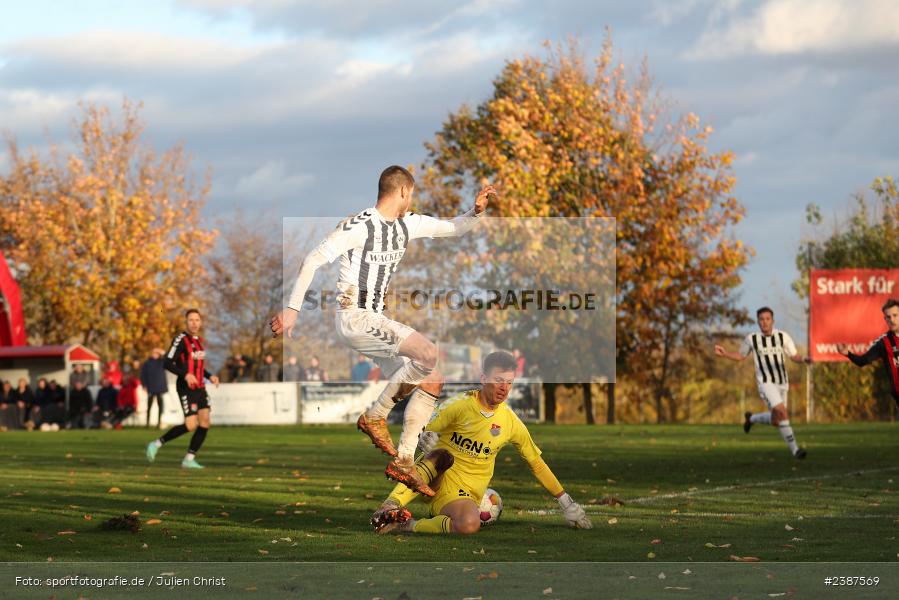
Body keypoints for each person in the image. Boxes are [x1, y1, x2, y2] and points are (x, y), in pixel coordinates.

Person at [270, 165, 494, 496]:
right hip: (354, 315)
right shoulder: (359, 226)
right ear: (403, 191)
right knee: (428, 352)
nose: (412, 199)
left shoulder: (408, 224)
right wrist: (292, 310)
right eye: (412, 193)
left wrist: (474, 212)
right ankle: (375, 417)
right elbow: (312, 260)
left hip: (374, 317)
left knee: (433, 377)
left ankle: (405, 461)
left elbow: (453, 228)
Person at [370, 351, 592, 534]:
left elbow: (536, 463)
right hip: (434, 479)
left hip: (463, 496)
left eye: (509, 382)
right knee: (442, 455)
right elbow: (422, 428)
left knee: (469, 525)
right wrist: (424, 437)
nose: (504, 388)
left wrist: (567, 503)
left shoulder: (511, 422)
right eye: (498, 380)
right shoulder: (459, 405)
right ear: (484, 379)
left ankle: (406, 525)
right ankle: (390, 506)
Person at [714, 306, 809, 459]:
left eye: (767, 319)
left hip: (782, 383)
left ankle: (751, 419)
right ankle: (796, 450)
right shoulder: (752, 339)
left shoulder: (782, 337)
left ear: (773, 321)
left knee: (776, 421)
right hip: (765, 384)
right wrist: (725, 354)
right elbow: (740, 355)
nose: (764, 322)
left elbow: (794, 356)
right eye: (761, 319)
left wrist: (804, 359)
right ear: (758, 322)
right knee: (783, 413)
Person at [145, 309, 219, 469]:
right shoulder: (180, 339)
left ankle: (189, 459)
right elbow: (167, 362)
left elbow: (198, 366)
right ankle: (156, 444)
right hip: (186, 388)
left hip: (200, 386)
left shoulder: (199, 341)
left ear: (200, 322)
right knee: (191, 425)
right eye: (191, 320)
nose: (194, 323)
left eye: (197, 320)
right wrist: (185, 375)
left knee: (205, 422)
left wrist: (210, 376)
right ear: (186, 322)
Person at [838, 298, 899, 408]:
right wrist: (847, 353)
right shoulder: (884, 342)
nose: (892, 320)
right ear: (885, 319)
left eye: (895, 315)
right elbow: (863, 361)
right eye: (888, 317)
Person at [140, 348, 169, 428]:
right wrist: (144, 385)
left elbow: (168, 357)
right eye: (153, 353)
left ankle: (159, 423)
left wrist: (161, 351)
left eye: (156, 353)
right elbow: (143, 375)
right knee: (149, 405)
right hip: (151, 387)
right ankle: (147, 423)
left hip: (160, 387)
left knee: (160, 406)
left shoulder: (162, 362)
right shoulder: (147, 363)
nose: (155, 354)